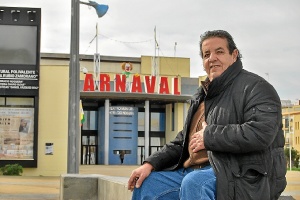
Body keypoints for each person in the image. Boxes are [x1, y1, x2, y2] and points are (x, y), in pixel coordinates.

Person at [127, 30, 287, 200]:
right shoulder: (202, 94)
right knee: (147, 183)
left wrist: (209, 136)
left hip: (243, 173)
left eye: (219, 52)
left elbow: (261, 133)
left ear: (234, 55)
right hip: (194, 170)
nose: (212, 58)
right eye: (206, 54)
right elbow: (184, 141)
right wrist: (150, 163)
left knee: (195, 183)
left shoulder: (256, 87)